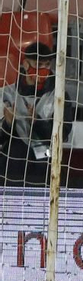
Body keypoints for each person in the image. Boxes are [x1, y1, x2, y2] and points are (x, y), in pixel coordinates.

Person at [1, 42, 69, 186]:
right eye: (38, 65)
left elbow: (63, 134)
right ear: (26, 64)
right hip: (13, 160)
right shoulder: (6, 94)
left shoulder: (59, 95)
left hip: (44, 158)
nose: (43, 70)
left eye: (47, 65)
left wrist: (37, 123)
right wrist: (7, 124)